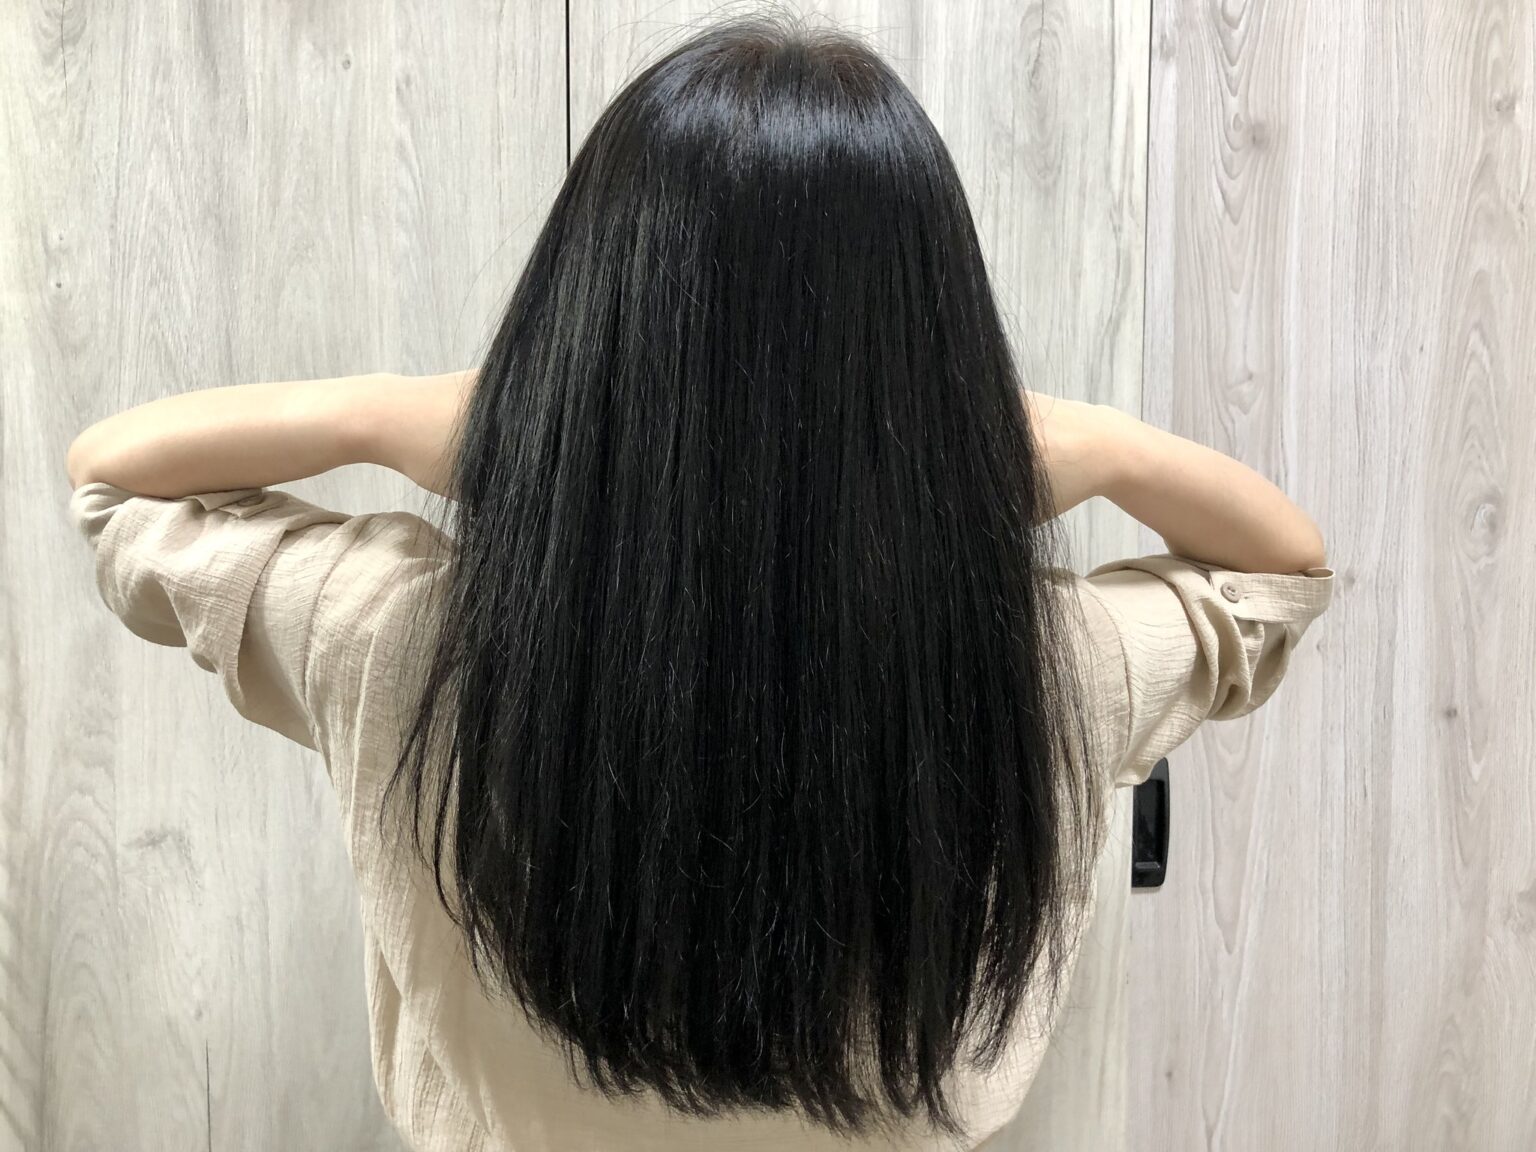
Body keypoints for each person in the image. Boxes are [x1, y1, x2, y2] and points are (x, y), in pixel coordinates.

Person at [64, 12, 1333, 1152]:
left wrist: (415, 416)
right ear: (933, 346)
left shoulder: (397, 638)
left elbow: (115, 485)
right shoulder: (1043, 672)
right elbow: (1284, 569)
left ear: (587, 324)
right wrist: (1088, 445)